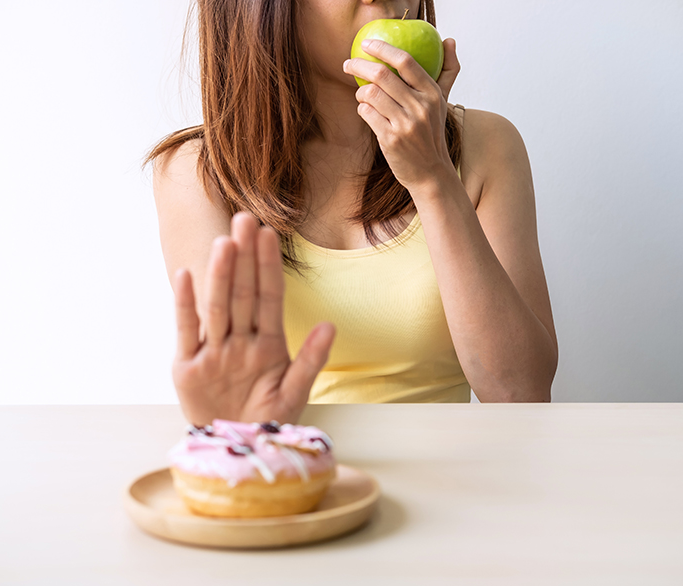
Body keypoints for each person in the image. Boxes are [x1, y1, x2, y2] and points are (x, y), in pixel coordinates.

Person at [143, 0, 558, 427]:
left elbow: (520, 393)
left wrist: (433, 179)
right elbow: (234, 405)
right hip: (295, 479)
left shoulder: (486, 146)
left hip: (452, 479)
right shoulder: (199, 175)